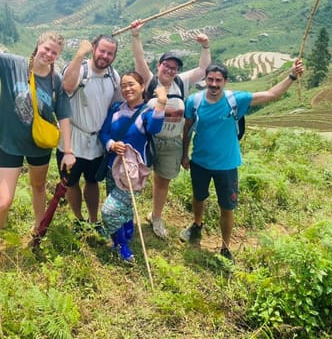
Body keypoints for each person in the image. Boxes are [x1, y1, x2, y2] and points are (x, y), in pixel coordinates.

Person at [0, 1, 75, 261]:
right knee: (4, 201)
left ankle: (39, 234)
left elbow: (63, 114)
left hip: (39, 144)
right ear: (38, 46)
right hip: (9, 142)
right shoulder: (13, 64)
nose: (49, 55)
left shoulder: (55, 79)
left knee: (38, 188)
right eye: (47, 49)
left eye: (54, 53)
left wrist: (69, 150)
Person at [181, 59, 305, 262]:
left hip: (227, 165)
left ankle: (225, 246)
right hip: (200, 162)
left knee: (227, 207)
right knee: (198, 197)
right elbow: (187, 129)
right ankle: (197, 225)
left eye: (218, 80)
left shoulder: (236, 100)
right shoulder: (194, 101)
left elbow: (271, 94)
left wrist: (291, 76)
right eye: (210, 79)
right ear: (205, 79)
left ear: (225, 81)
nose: (213, 84)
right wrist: (184, 154)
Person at [130, 20, 211, 239]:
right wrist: (135, 36)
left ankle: (155, 217)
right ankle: (127, 216)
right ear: (159, 64)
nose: (170, 70)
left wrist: (205, 47)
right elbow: (139, 59)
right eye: (167, 65)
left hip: (172, 142)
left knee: (163, 181)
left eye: (174, 68)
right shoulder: (149, 81)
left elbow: (203, 70)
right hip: (148, 141)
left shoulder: (181, 82)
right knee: (135, 179)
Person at [99, 71, 167, 261]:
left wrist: (161, 101)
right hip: (112, 168)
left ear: (142, 86)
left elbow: (155, 128)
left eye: (131, 84)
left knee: (110, 211)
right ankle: (126, 231)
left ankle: (122, 247)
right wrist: (111, 144)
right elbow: (104, 133)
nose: (127, 89)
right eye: (123, 85)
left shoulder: (146, 113)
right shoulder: (115, 109)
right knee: (124, 206)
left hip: (133, 172)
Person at [60, 35, 121, 231]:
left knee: (93, 181)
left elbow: (116, 107)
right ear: (93, 48)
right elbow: (67, 87)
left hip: (97, 141)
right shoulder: (79, 69)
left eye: (110, 53)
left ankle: (94, 220)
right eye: (102, 50)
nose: (105, 56)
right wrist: (79, 55)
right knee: (71, 182)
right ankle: (78, 219)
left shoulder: (114, 76)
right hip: (72, 139)